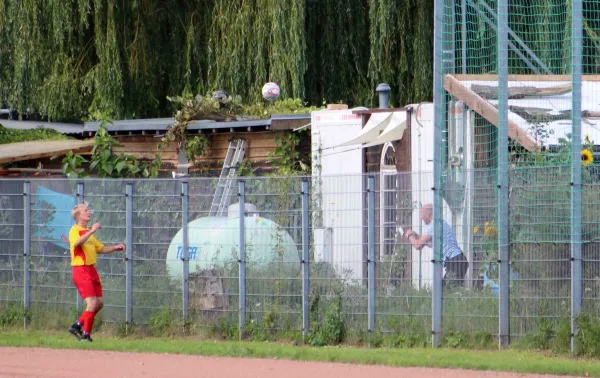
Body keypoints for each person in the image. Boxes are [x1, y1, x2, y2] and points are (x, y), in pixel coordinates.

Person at [68, 203, 124, 342]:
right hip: (80, 269)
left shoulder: (88, 232)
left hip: (91, 269)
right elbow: (76, 243)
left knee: (99, 303)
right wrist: (92, 231)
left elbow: (100, 248)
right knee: (92, 303)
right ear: (78, 215)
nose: (89, 212)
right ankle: (86, 334)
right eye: (85, 210)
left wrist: (115, 248)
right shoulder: (75, 230)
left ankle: (78, 325)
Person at [404, 204, 469, 288]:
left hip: (455, 262)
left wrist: (410, 235)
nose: (420, 217)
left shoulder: (433, 226)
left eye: (421, 214)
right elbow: (430, 244)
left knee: (445, 291)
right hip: (457, 260)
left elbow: (417, 245)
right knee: (445, 290)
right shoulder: (440, 223)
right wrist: (417, 236)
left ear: (428, 214)